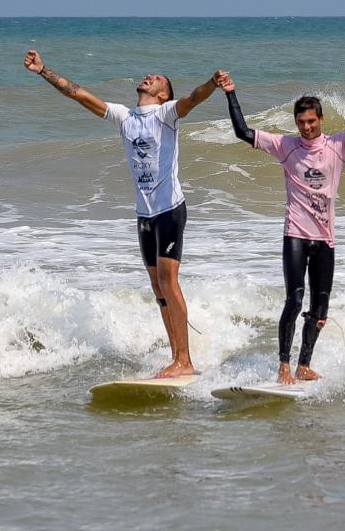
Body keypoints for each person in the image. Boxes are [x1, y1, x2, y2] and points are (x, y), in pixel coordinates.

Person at [24, 48, 223, 377]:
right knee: (157, 286)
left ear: (162, 94)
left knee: (169, 282)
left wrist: (212, 84)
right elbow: (80, 96)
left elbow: (193, 98)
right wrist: (44, 71)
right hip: (144, 214)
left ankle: (185, 361)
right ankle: (175, 357)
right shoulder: (125, 117)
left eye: (156, 78)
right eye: (149, 75)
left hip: (169, 209)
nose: (149, 77)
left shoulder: (167, 114)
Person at [220, 69, 345, 384]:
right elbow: (243, 131)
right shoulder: (285, 146)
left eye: (311, 121)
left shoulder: (340, 144)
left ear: (321, 119)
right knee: (294, 301)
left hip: (325, 239)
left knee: (320, 309)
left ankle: (303, 365)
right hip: (295, 234)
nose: (306, 127)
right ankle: (284, 364)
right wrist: (231, 92)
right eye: (300, 123)